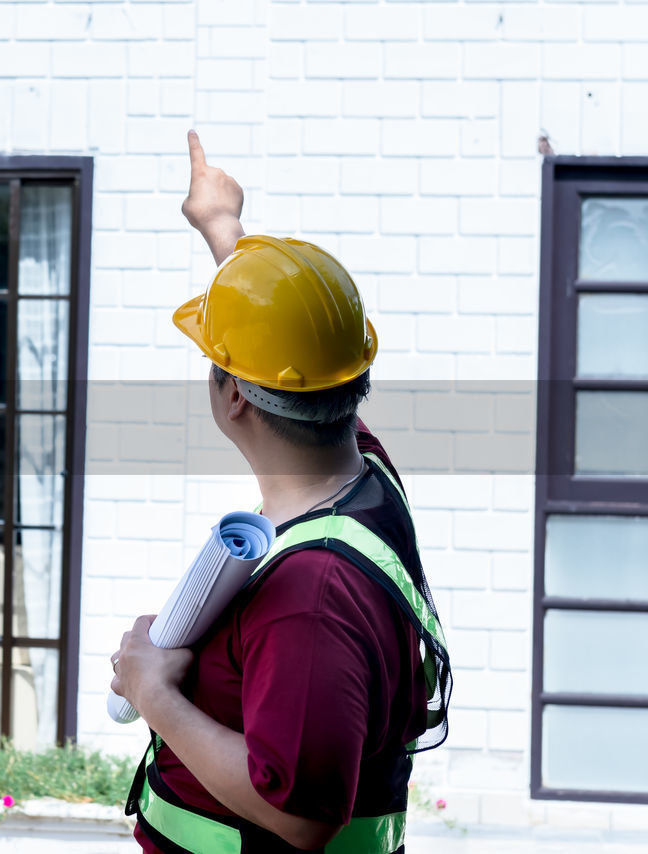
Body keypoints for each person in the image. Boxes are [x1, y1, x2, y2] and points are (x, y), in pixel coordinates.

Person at [110, 131, 452, 853]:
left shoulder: (311, 594)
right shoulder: (365, 473)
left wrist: (155, 694)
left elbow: (302, 814)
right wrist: (221, 227)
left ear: (232, 394)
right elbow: (296, 343)